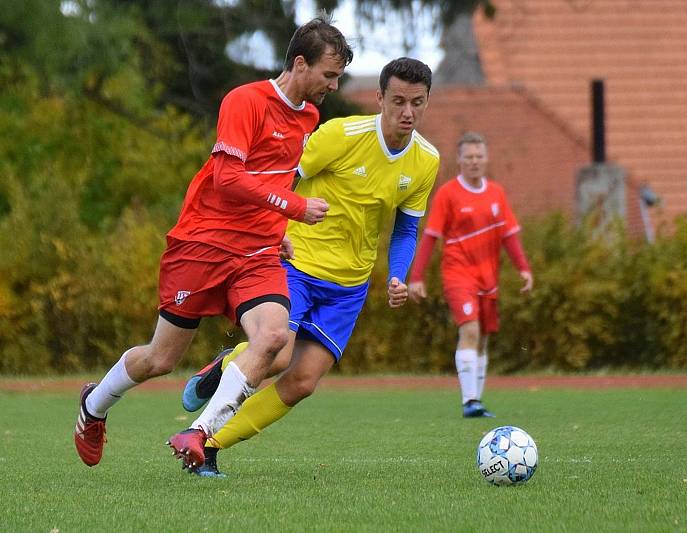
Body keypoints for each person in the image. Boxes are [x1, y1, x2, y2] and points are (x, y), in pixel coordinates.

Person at [73, 17, 353, 469]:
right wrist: (295, 210)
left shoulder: (309, 117)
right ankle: (94, 405)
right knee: (160, 359)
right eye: (328, 74)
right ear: (300, 63)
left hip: (257, 253)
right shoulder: (246, 101)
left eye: (337, 76)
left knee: (276, 339)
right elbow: (227, 178)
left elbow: (272, 176)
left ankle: (199, 433)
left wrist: (277, 232)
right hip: (203, 245)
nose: (333, 84)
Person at [180, 57, 440, 476]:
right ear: (379, 99)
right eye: (398, 101)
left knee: (302, 382)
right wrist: (271, 232)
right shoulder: (341, 134)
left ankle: (210, 446)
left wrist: (397, 274)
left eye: (417, 103)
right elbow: (283, 180)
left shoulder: (426, 160)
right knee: (278, 357)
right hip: (297, 263)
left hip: (349, 286)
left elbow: (407, 229)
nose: (407, 113)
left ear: (427, 102)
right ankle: (223, 375)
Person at [408, 132, 533, 418]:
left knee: (484, 337)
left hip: (489, 276)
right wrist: (417, 277)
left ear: (486, 159)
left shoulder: (496, 193)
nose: (474, 161)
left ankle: (476, 398)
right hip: (458, 272)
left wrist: (524, 268)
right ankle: (470, 402)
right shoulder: (448, 194)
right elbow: (430, 237)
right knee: (471, 330)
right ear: (459, 160)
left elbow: (509, 235)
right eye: (469, 157)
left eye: (479, 156)